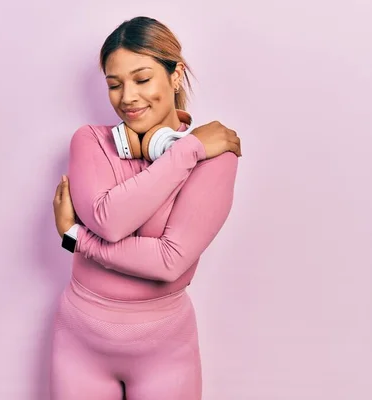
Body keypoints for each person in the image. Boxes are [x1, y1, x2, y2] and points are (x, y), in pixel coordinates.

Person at [49, 16, 242, 400]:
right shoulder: (90, 141)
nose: (128, 98)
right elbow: (109, 220)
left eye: (142, 79)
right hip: (79, 347)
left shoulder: (216, 157)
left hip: (164, 355)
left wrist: (74, 237)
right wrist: (188, 151)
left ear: (175, 75)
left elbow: (169, 262)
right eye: (114, 84)